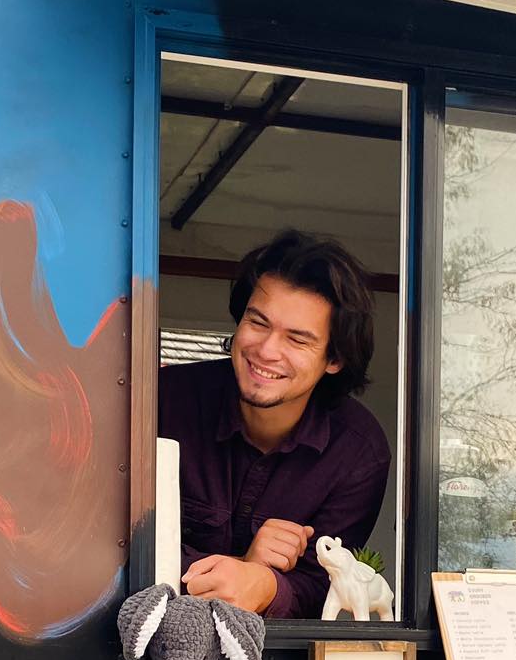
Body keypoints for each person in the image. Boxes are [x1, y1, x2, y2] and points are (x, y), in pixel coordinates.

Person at [159, 229, 392, 619]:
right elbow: (111, 549)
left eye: (297, 340)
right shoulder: (162, 403)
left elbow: (330, 585)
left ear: (334, 359)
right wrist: (242, 567)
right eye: (258, 322)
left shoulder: (358, 452)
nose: (267, 351)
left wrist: (266, 587)